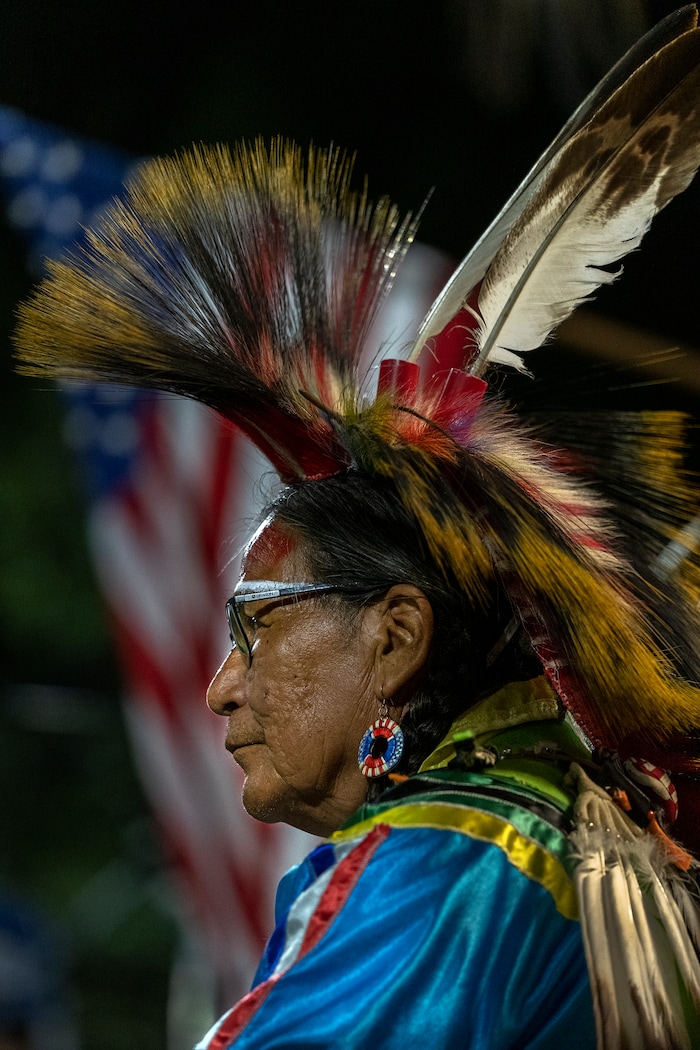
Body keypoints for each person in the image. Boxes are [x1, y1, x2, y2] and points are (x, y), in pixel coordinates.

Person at [12, 6, 700, 1048]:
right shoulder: (541, 828)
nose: (221, 684)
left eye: (258, 626)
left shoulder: (461, 854)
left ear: (394, 639)